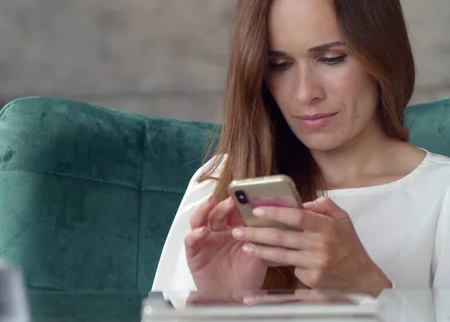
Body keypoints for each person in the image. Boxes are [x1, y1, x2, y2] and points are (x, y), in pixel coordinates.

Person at [152, 0, 450, 297]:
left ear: (383, 54)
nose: (305, 93)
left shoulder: (441, 192)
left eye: (332, 58)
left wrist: (369, 287)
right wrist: (224, 315)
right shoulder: (223, 184)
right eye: (279, 65)